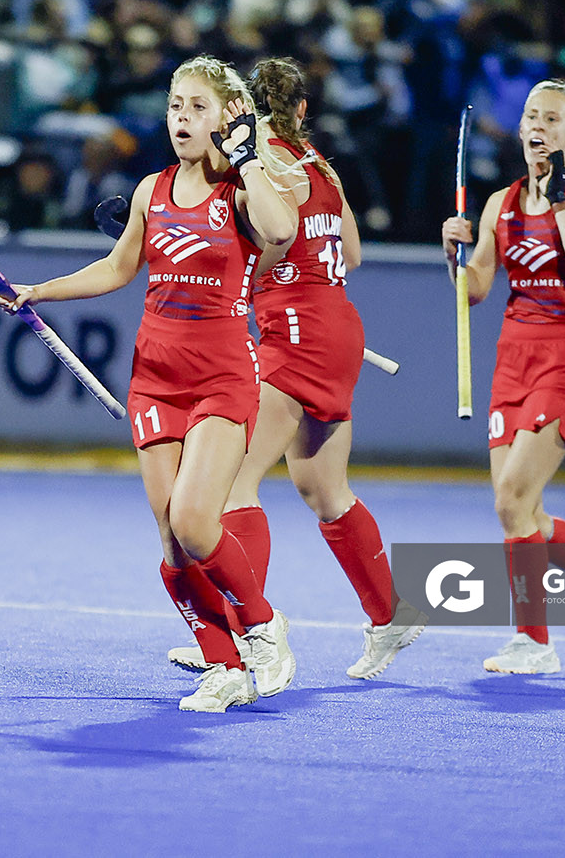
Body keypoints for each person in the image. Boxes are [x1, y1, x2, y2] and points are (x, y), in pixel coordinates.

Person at [1, 56, 298, 713]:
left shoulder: (242, 190)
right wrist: (39, 291)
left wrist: (247, 154)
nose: (182, 119)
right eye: (175, 106)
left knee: (194, 521)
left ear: (229, 117)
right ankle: (224, 668)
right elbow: (117, 267)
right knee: (170, 540)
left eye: (197, 107)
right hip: (154, 379)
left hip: (221, 376)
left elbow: (281, 230)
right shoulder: (151, 189)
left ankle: (262, 624)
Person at [165, 57, 428, 681]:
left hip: (295, 333)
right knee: (323, 489)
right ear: (303, 110)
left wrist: (216, 274)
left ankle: (243, 635)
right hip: (336, 325)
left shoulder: (259, 164)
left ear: (238, 112)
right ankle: (390, 613)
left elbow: (272, 241)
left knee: (232, 484)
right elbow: (351, 254)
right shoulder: (319, 163)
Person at [441, 79, 565, 674]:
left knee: (513, 499)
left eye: (551, 119)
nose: (537, 126)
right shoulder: (499, 204)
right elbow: (474, 290)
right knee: (519, 511)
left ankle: (534, 642)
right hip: (513, 360)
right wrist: (452, 254)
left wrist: (558, 201)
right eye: (532, 116)